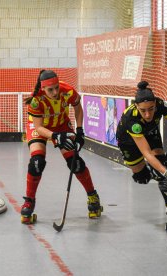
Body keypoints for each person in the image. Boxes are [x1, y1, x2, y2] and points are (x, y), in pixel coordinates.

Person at [21, 69, 103, 224]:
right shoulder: (36, 100)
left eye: (57, 87)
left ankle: (93, 196)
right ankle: (29, 201)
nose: (55, 92)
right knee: (36, 163)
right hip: (40, 128)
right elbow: (38, 128)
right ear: (43, 88)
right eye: (50, 89)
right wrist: (54, 136)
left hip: (61, 125)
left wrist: (79, 130)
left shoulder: (68, 91)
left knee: (76, 163)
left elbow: (78, 107)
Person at [116, 81, 167, 232]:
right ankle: (153, 169)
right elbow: (146, 153)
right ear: (136, 107)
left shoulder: (161, 105)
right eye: (143, 111)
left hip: (150, 134)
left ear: (155, 104)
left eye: (151, 109)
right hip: (128, 142)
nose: (148, 114)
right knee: (142, 177)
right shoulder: (131, 119)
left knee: (161, 172)